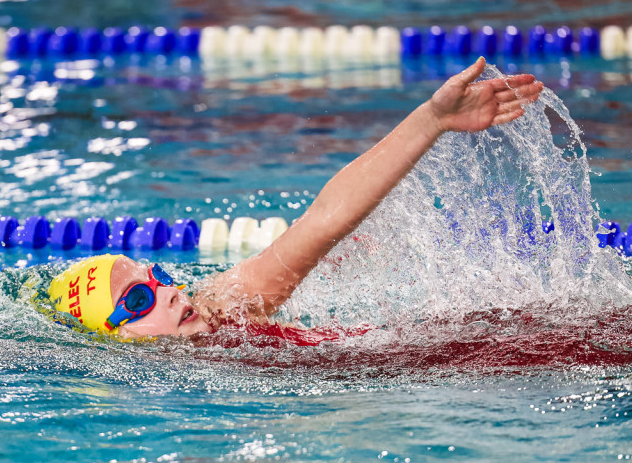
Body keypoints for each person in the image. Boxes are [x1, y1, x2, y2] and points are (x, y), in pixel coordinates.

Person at [48, 57, 543, 341]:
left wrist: (430, 121)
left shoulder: (222, 307)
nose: (170, 292)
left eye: (156, 278)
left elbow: (323, 223)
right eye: (139, 299)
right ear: (112, 336)